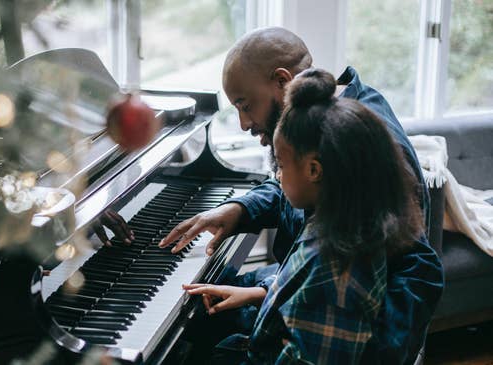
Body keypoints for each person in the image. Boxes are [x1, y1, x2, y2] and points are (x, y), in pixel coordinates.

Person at [159, 27, 443, 364]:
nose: (243, 124)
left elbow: (404, 277)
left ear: (281, 81)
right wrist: (239, 210)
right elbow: (291, 190)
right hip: (300, 284)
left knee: (192, 329)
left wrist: (277, 312)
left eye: (245, 105)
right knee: (201, 301)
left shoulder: (360, 145)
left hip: (339, 325)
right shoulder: (315, 128)